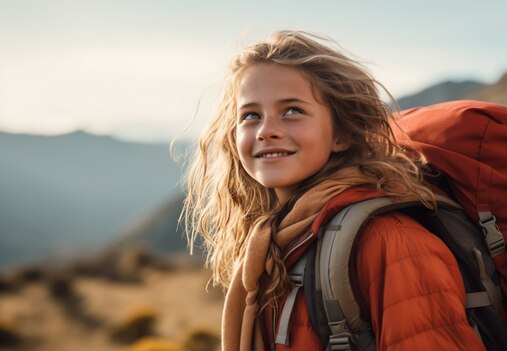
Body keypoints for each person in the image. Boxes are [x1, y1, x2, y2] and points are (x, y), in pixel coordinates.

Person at [181, 30, 485, 350]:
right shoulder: (275, 243)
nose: (266, 131)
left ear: (341, 134)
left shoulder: (389, 240)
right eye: (251, 115)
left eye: (292, 111)